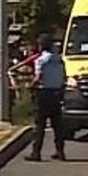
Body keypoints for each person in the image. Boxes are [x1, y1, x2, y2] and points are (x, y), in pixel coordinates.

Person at [26, 33, 68, 162]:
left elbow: (39, 77)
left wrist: (30, 85)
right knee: (57, 125)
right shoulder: (60, 60)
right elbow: (64, 77)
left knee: (40, 125)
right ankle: (60, 151)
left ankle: (36, 152)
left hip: (44, 94)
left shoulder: (41, 60)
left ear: (41, 46)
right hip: (57, 93)